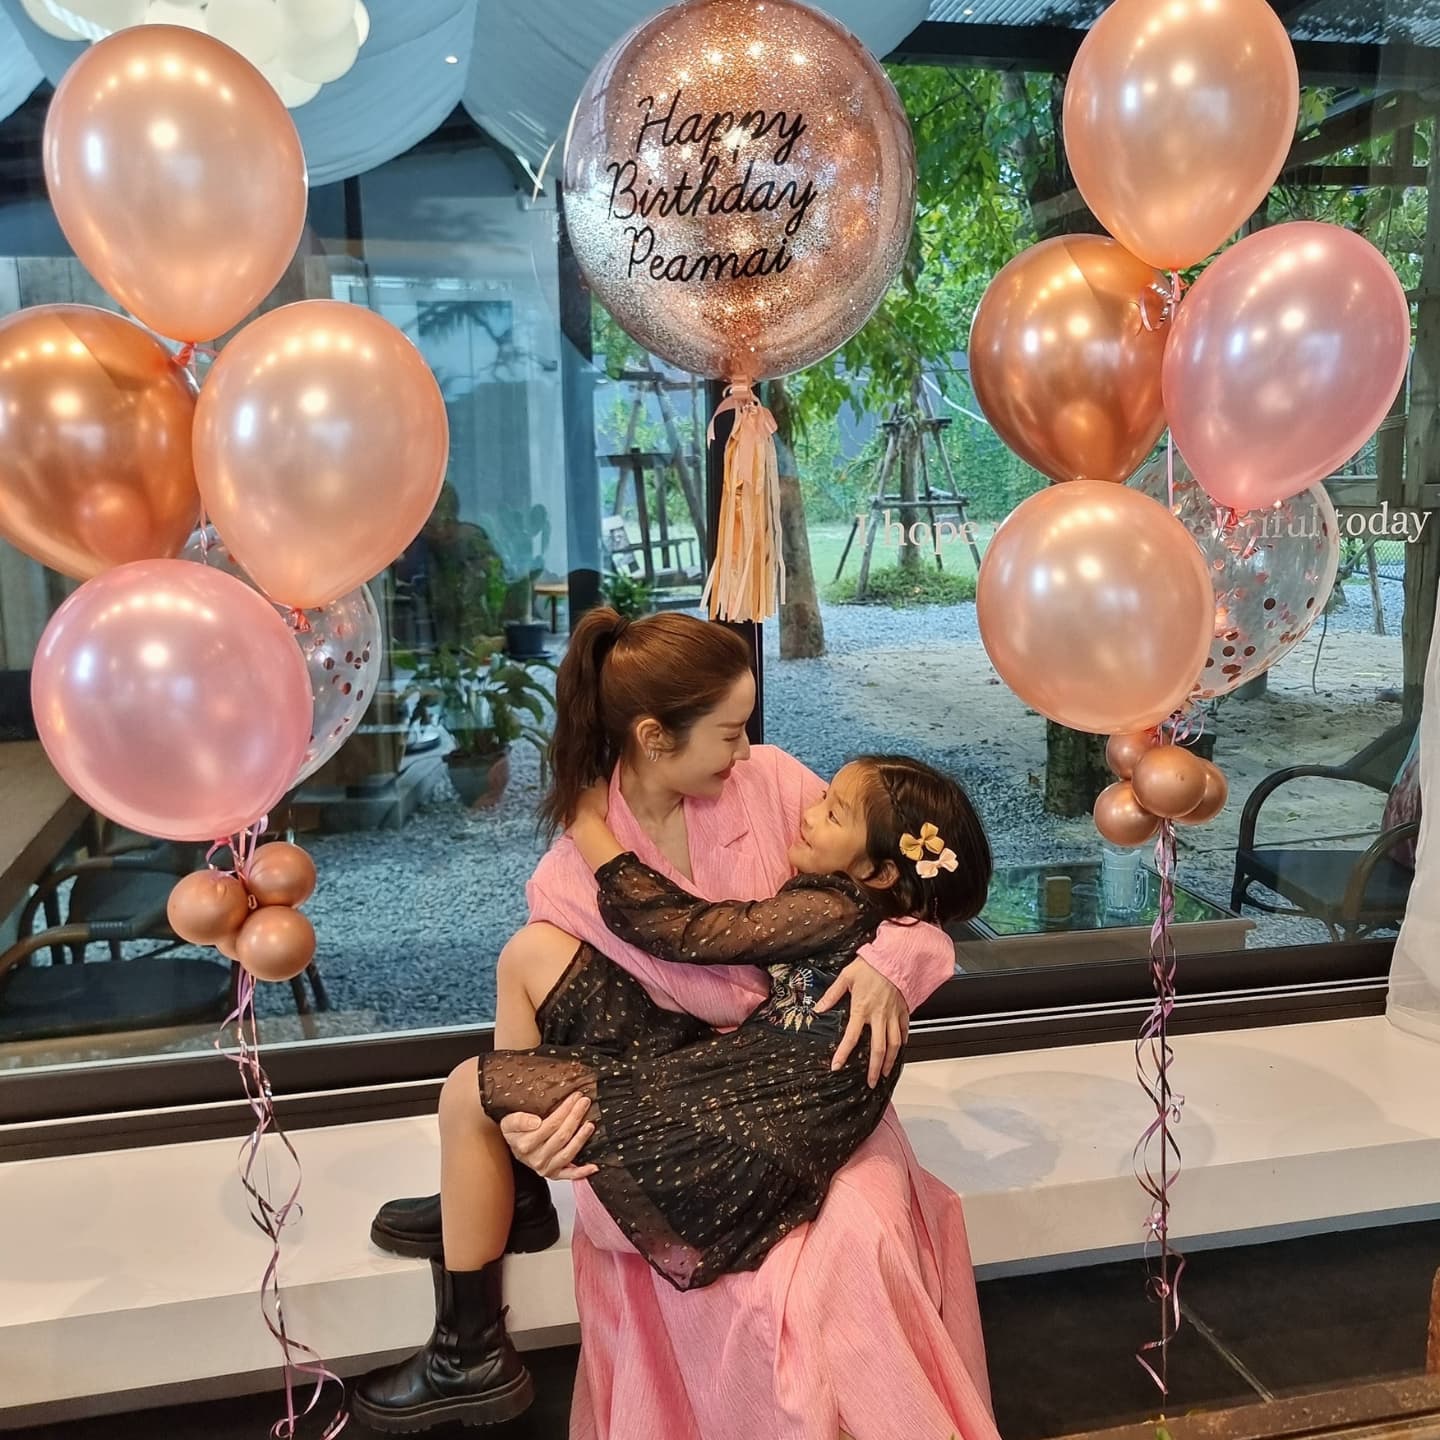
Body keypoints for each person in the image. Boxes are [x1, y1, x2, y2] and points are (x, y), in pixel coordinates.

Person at [354, 610, 999, 1440]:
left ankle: (479, 1304)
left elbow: (906, 889)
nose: (748, 750)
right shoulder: (569, 872)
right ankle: (493, 1258)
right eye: (729, 733)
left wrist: (893, 965)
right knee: (522, 967)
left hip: (783, 1081)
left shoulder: (777, 785)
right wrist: (528, 1137)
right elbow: (654, 947)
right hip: (681, 1078)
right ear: (655, 738)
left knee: (858, 1239)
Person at [479, 752, 991, 1292]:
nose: (808, 813)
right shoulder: (870, 913)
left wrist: (589, 830)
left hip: (755, 1121)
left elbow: (683, 930)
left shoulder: (835, 910)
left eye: (832, 814)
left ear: (880, 873)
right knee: (510, 1081)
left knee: (489, 1084)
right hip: (775, 1118)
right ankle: (510, 1198)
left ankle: (494, 1248)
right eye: (823, 799)